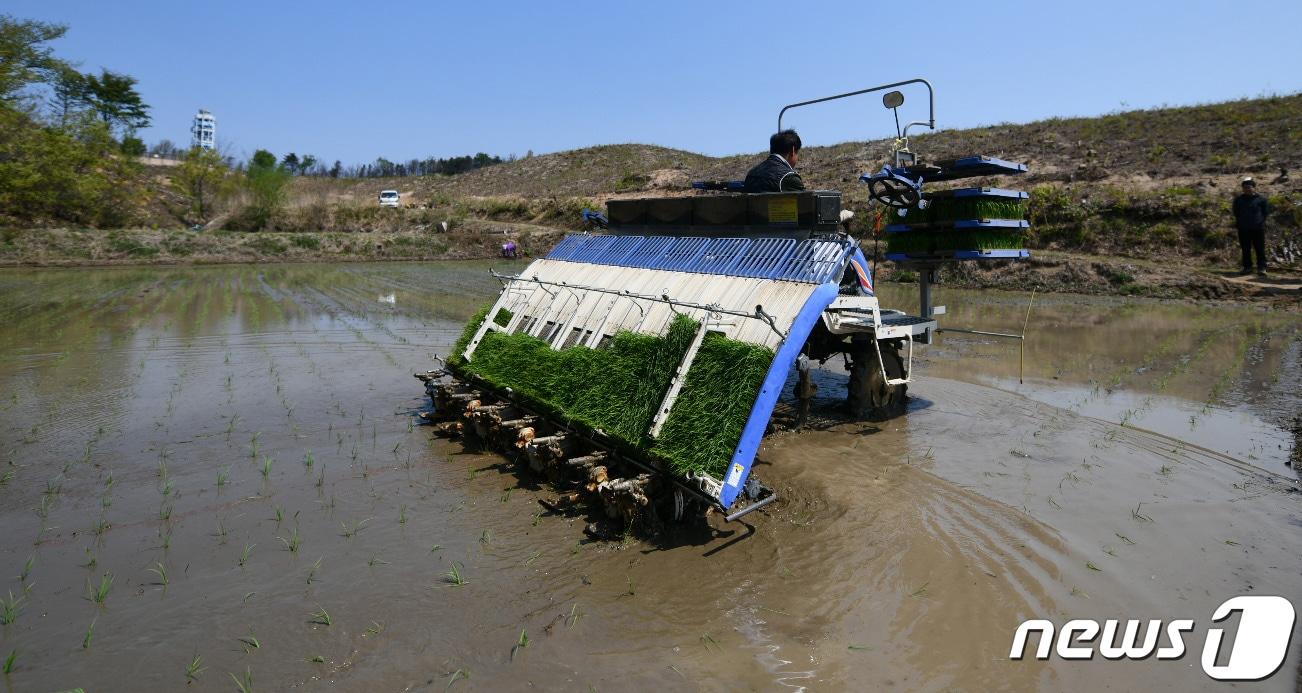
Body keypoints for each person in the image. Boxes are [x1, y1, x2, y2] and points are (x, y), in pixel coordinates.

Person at [1232, 177, 1271, 275]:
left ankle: (1262, 268)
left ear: (1254, 188)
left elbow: (1265, 212)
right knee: (1245, 249)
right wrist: (1240, 222)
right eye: (1244, 187)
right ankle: (1247, 267)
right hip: (1243, 228)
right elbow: (1236, 212)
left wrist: (1260, 222)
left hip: (1258, 228)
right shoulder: (1239, 200)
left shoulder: (1261, 199)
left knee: (1260, 248)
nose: (1247, 189)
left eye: (1249, 187)